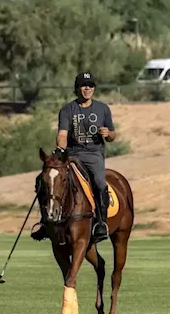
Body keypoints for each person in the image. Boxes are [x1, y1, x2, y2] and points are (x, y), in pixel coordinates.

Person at [31, 71, 117, 244]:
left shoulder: (103, 109)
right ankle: (45, 223)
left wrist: (108, 134)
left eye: (90, 86)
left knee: (100, 183)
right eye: (84, 85)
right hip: (72, 155)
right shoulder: (67, 110)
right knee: (43, 180)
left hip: (94, 155)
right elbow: (62, 133)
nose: (87, 89)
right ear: (77, 88)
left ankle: (100, 223)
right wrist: (60, 149)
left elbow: (112, 135)